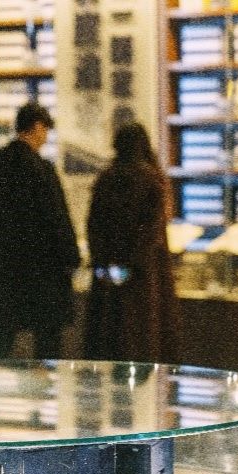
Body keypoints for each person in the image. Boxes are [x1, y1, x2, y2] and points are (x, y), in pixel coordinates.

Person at [0, 103, 80, 359]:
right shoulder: (41, 169)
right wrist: (71, 257)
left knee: (0, 341)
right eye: (45, 130)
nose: (45, 137)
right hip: (43, 272)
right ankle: (47, 384)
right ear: (37, 127)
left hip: (3, 270)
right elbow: (57, 219)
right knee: (47, 343)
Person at [84, 122, 180, 362]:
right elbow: (151, 231)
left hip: (108, 272)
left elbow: (94, 225)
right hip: (144, 275)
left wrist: (105, 262)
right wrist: (135, 264)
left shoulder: (106, 178)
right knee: (143, 340)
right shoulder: (152, 179)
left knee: (109, 337)